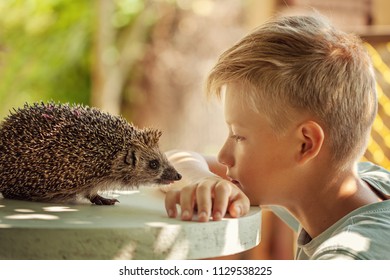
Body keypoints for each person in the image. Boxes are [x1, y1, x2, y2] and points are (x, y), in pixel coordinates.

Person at [163, 14, 390, 260]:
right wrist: (201, 180)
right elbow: (173, 162)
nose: (223, 156)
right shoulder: (358, 182)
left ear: (305, 144)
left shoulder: (349, 258)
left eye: (239, 136)